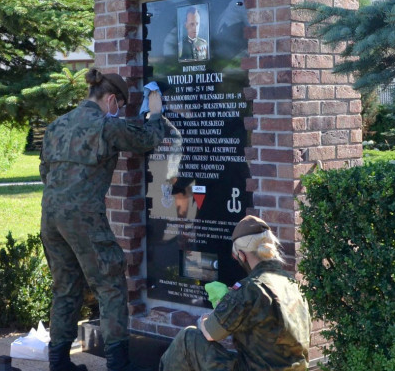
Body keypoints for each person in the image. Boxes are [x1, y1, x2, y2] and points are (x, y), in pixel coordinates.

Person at [39, 68, 170, 371]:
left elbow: (45, 172)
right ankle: (118, 364)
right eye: (120, 107)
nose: (120, 112)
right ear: (112, 100)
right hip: (85, 218)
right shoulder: (106, 126)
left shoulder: (57, 126)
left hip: (50, 216)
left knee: (65, 286)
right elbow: (147, 139)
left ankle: (58, 362)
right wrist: (154, 113)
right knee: (110, 285)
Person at [158, 215, 311, 371]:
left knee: (188, 338)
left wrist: (206, 318)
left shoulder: (249, 288)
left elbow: (212, 332)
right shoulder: (293, 283)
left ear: (242, 256)